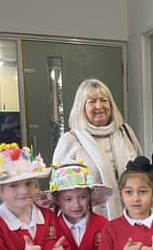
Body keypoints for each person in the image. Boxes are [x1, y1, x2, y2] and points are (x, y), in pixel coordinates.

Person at [53, 78, 143, 220]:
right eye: (92, 101)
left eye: (104, 100)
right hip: (90, 223)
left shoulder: (125, 132)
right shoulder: (70, 140)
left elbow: (142, 172)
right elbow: (59, 191)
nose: (99, 105)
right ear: (81, 107)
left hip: (132, 218)